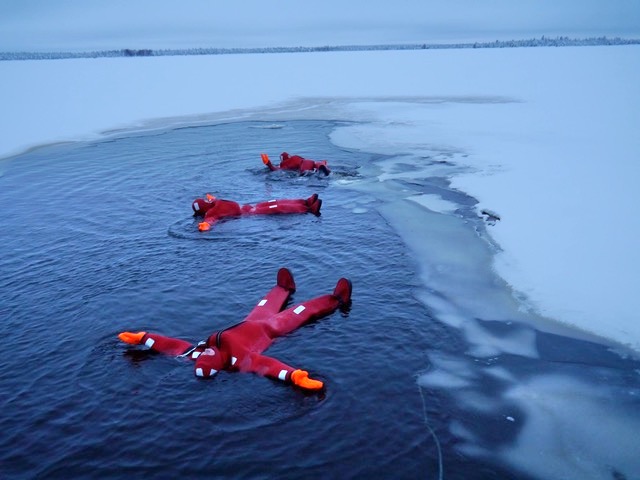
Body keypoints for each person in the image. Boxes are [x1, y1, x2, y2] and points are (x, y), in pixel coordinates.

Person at [118, 268, 352, 391]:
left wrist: (144, 337)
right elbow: (267, 366)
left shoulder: (197, 354)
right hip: (269, 329)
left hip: (250, 320)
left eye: (205, 356)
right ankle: (336, 299)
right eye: (210, 358)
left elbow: (172, 346)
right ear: (217, 367)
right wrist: (294, 376)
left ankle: (283, 288)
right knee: (303, 310)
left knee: (265, 303)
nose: (208, 353)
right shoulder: (238, 361)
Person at [192, 193, 322, 231]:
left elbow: (213, 199)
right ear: (203, 208)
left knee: (274, 202)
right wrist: (206, 225)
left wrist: (210, 197)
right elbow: (211, 221)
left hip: (251, 207)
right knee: (275, 207)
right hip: (251, 214)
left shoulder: (214, 203)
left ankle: (304, 201)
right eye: (204, 202)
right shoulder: (211, 213)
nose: (207, 201)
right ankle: (309, 209)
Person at [261, 152, 331, 175]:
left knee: (304, 174)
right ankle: (323, 167)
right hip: (311, 162)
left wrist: (268, 164)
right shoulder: (295, 157)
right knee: (319, 165)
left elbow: (275, 169)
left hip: (304, 166)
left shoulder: (285, 163)